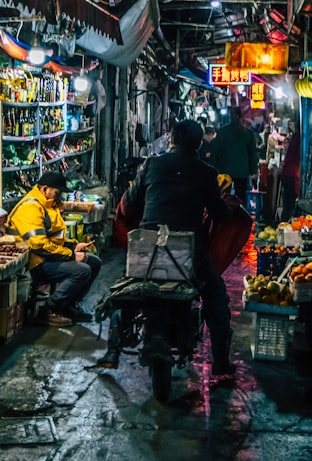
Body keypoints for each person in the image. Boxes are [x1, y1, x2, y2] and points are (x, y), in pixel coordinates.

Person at [97, 119, 236, 376]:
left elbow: (129, 204)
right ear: (199, 143)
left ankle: (112, 350)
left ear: (171, 139)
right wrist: (230, 206)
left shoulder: (152, 165)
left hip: (148, 248)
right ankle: (220, 359)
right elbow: (218, 212)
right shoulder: (205, 172)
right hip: (188, 251)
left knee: (126, 288)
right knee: (216, 296)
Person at [6, 171, 102, 326]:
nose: (60, 196)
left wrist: (73, 246)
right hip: (34, 261)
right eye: (58, 192)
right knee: (82, 270)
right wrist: (71, 255)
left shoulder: (49, 205)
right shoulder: (31, 207)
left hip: (47, 256)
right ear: (45, 189)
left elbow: (54, 237)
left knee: (94, 262)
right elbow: (39, 245)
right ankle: (50, 309)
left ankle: (67, 306)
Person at [209, 105, 259, 199]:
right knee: (239, 199)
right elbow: (252, 154)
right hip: (242, 171)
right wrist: (253, 171)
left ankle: (224, 213)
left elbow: (214, 152)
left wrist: (212, 169)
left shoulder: (222, 132)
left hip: (224, 171)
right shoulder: (248, 133)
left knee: (223, 197)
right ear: (241, 117)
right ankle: (238, 213)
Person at [280, 129, 300, 222]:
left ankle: (283, 224)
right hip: (292, 174)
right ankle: (288, 225)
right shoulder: (300, 137)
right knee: (291, 203)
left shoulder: (295, 136)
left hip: (286, 172)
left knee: (287, 204)